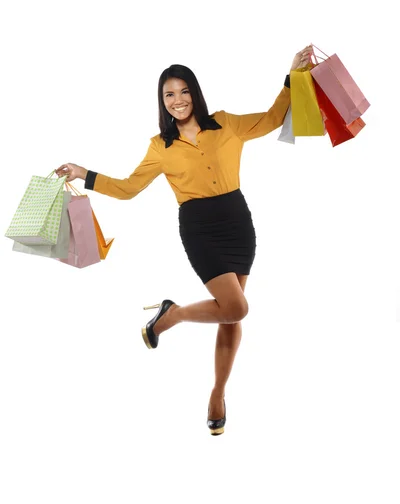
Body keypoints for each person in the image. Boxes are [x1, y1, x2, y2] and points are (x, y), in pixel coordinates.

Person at [55, 44, 314, 436]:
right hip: (200, 230)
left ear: (195, 92)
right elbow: (127, 189)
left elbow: (274, 118)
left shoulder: (226, 124)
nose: (178, 101)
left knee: (229, 313)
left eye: (184, 91)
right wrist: (84, 173)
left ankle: (218, 393)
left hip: (238, 224)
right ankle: (170, 316)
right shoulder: (161, 147)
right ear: (162, 101)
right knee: (236, 307)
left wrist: (291, 75)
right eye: (169, 95)